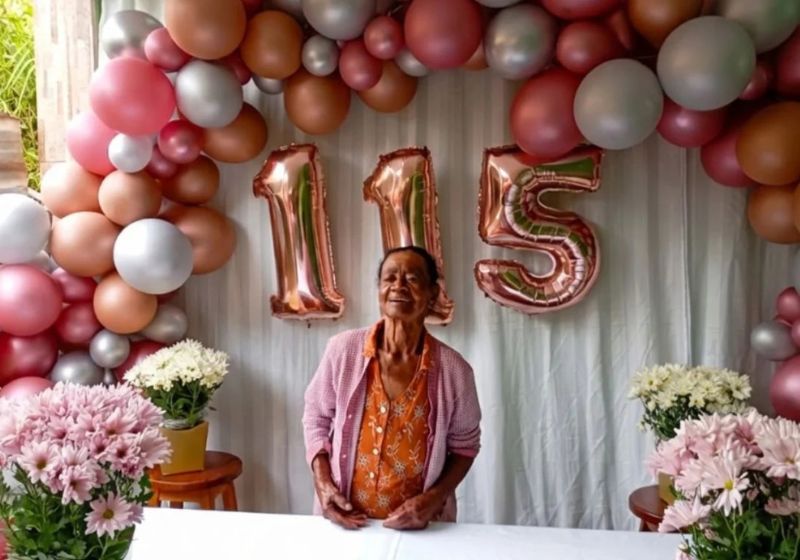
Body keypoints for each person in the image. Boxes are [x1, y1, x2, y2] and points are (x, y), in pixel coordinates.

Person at [303, 246, 481, 530]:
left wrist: (434, 499)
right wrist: (323, 485)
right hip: (346, 521)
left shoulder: (454, 370)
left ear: (432, 293)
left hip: (420, 527)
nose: (398, 286)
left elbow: (466, 445)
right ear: (379, 289)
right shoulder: (343, 350)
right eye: (389, 278)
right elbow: (316, 418)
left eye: (412, 278)